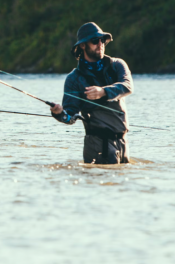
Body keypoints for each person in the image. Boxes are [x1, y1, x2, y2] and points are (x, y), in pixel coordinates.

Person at [51, 22, 133, 164]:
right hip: (97, 144)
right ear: (82, 45)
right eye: (95, 41)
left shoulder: (117, 65)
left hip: (123, 142)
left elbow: (127, 86)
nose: (100, 44)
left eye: (102, 40)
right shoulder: (74, 79)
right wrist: (58, 113)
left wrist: (103, 92)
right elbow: (70, 116)